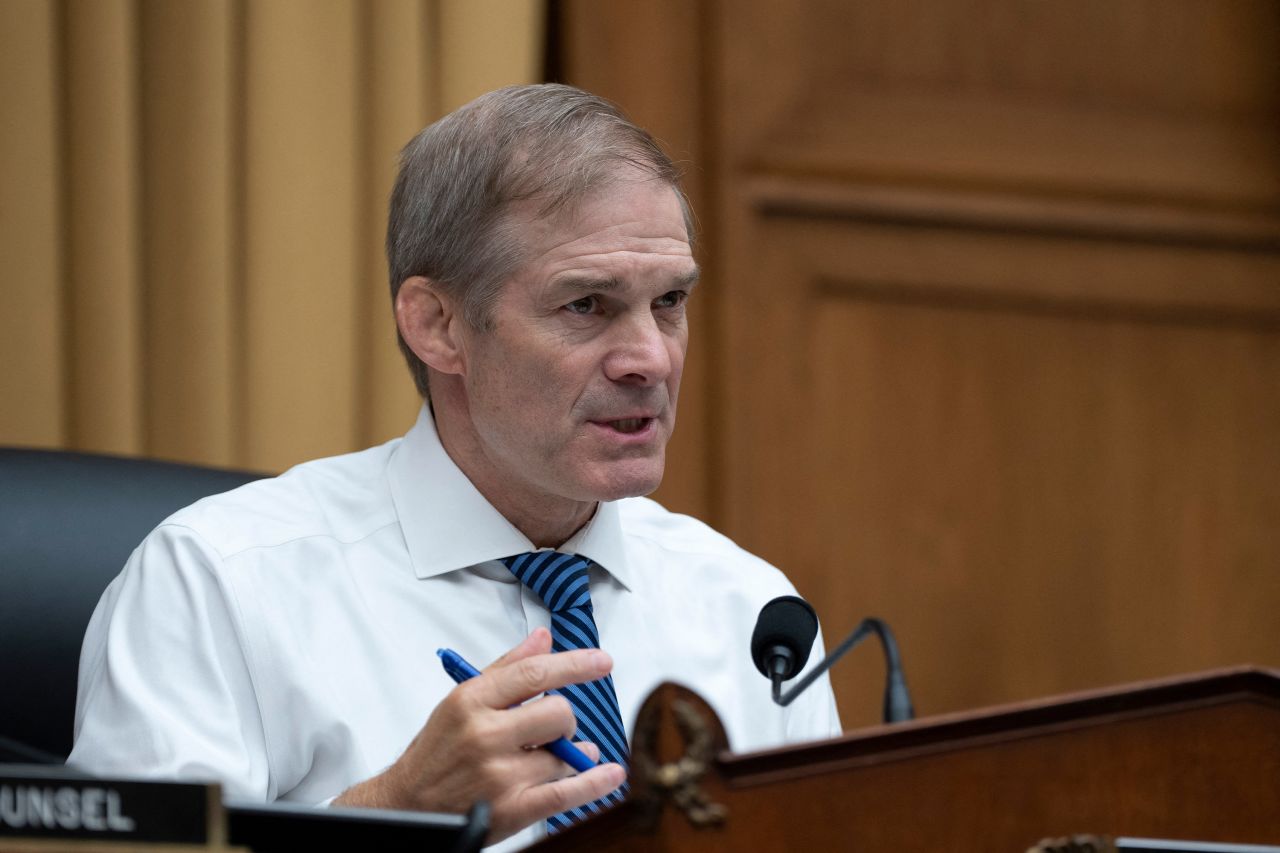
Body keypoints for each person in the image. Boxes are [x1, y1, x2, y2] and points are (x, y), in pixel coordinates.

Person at [67, 84, 840, 851]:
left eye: (668, 301)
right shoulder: (220, 583)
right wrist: (397, 812)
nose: (650, 357)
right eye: (587, 305)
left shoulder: (753, 615)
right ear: (437, 325)